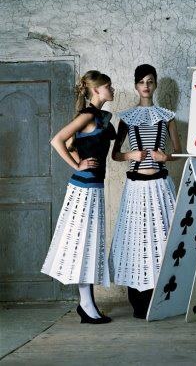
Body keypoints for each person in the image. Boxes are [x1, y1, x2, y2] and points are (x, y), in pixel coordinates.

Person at [41, 70, 116, 324]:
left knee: (90, 245)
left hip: (94, 189)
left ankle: (87, 303)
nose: (112, 89)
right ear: (97, 90)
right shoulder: (87, 115)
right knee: (84, 245)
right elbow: (57, 140)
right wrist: (76, 165)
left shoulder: (102, 117)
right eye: (108, 86)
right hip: (83, 190)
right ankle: (86, 305)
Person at [109, 64, 181, 319]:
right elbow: (115, 154)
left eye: (150, 81)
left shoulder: (167, 116)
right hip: (136, 187)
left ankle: (163, 296)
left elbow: (178, 152)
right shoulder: (127, 117)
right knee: (137, 237)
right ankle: (138, 300)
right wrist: (131, 154)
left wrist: (166, 156)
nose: (146, 86)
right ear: (136, 86)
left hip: (160, 185)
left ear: (156, 84)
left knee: (162, 238)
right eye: (141, 82)